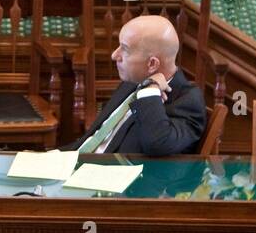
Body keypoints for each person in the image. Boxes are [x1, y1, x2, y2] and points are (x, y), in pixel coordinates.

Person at [64, 14, 206, 156]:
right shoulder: (131, 82)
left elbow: (158, 145)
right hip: (75, 162)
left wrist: (150, 91)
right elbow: (92, 139)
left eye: (124, 49)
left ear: (152, 64)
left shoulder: (187, 100)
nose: (114, 55)